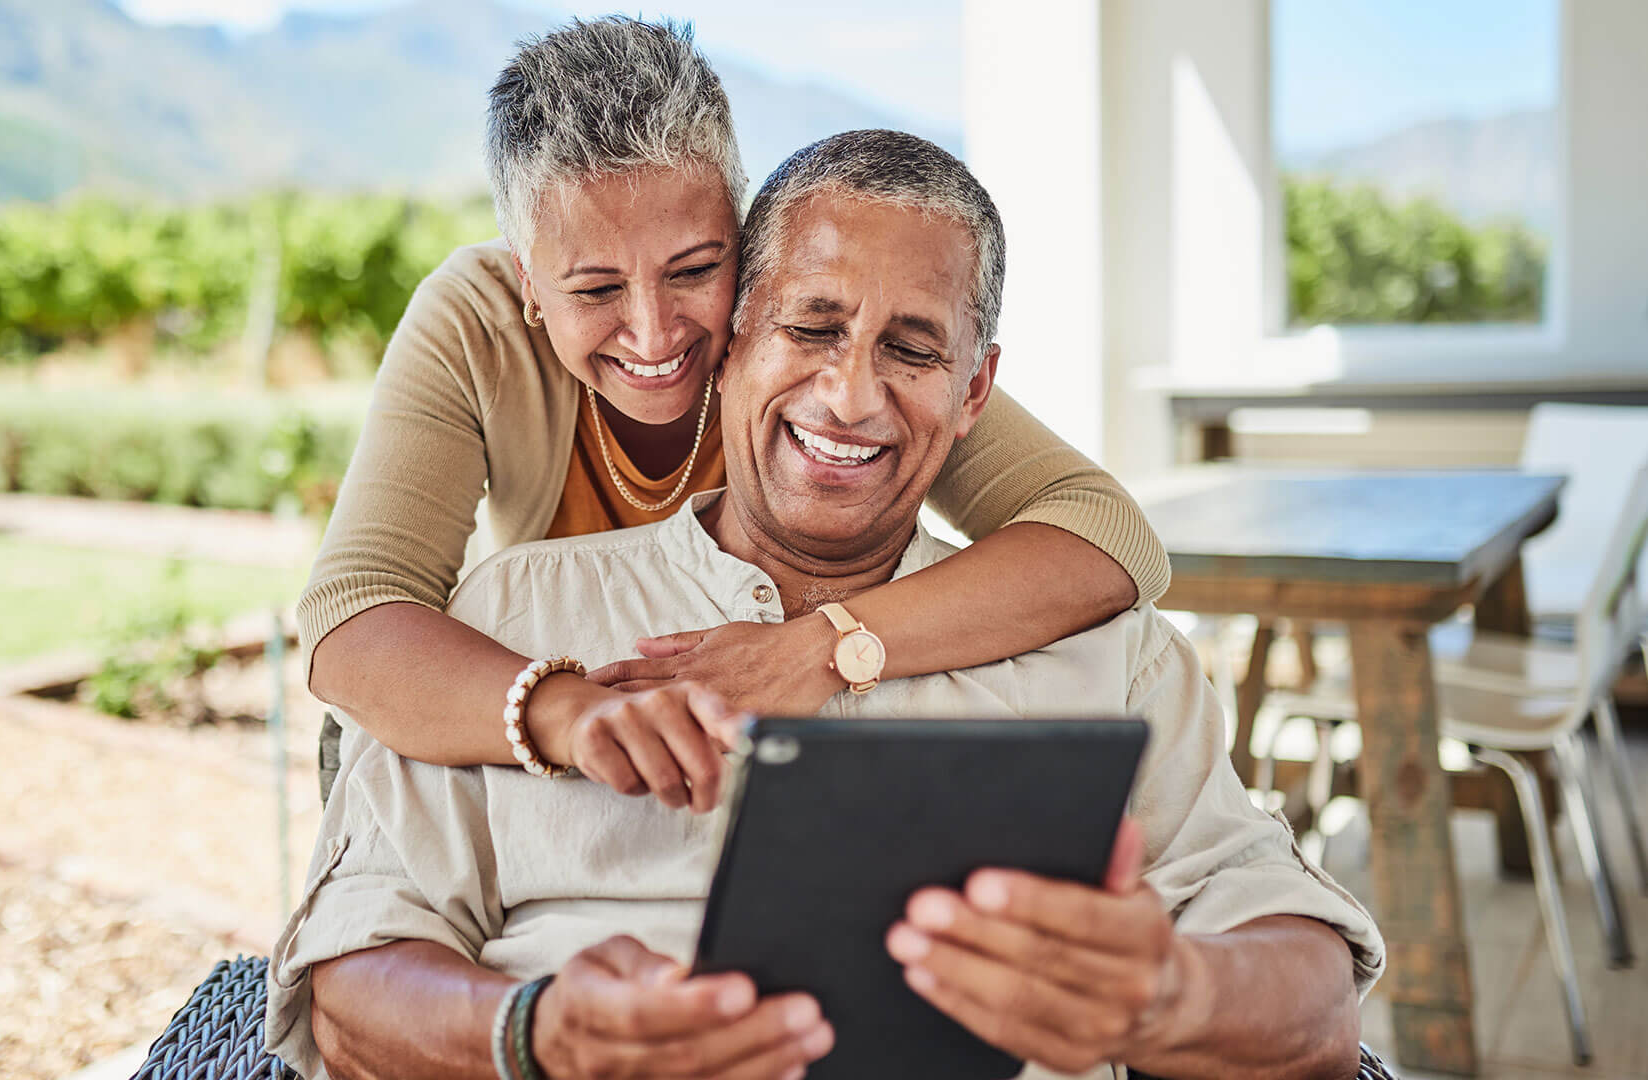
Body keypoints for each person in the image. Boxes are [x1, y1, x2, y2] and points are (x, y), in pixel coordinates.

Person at [266, 130, 1384, 1080]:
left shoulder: (1107, 655)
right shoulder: (507, 623)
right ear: (732, 340)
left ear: (972, 393)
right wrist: (536, 1032)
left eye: (910, 350)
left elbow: (1315, 1004)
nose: (850, 395)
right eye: (810, 329)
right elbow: (346, 983)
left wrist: (1169, 998)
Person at [297, 16, 1174, 809]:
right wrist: (567, 714)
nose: (654, 332)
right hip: (514, 737)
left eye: (694, 269)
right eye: (596, 287)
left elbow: (1104, 534)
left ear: (747, 237)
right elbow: (353, 613)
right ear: (530, 282)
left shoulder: (810, 326)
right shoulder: (474, 321)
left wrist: (825, 647)